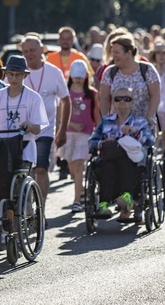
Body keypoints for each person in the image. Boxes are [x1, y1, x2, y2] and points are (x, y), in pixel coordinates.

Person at [0, 55, 48, 245]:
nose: (13, 78)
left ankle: (11, 231)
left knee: (12, 190)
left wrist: (30, 124)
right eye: (11, 74)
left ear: (24, 76)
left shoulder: (32, 97)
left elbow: (39, 128)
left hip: (22, 150)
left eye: (18, 75)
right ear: (5, 74)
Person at [20, 35, 71, 212]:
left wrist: (62, 130)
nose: (29, 54)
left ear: (42, 49)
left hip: (45, 130)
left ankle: (40, 211)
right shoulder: (19, 72)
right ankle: (26, 208)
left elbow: (66, 101)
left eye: (32, 50)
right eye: (25, 51)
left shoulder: (53, 72)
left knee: (41, 169)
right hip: (22, 132)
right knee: (24, 171)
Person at [88, 87, 154, 221]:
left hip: (131, 161)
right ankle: (104, 204)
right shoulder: (106, 121)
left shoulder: (140, 122)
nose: (122, 102)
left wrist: (135, 132)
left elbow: (150, 141)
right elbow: (92, 141)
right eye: (118, 99)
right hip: (108, 161)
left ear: (132, 102)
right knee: (108, 165)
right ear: (113, 102)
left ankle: (127, 197)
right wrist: (102, 142)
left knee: (124, 160)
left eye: (127, 99)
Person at [56, 60, 100, 213]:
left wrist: (99, 132)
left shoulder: (92, 94)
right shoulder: (65, 93)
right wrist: (64, 128)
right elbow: (60, 114)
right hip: (69, 134)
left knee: (79, 164)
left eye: (80, 76)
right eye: (75, 76)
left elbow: (96, 115)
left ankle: (76, 201)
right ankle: (81, 190)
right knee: (72, 167)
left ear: (86, 76)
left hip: (85, 134)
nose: (78, 79)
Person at [99, 35, 161, 126]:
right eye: (113, 53)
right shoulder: (109, 72)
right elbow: (104, 98)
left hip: (142, 127)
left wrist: (149, 117)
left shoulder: (147, 70)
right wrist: (105, 120)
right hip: (117, 128)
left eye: (117, 52)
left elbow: (155, 95)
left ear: (128, 52)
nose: (114, 56)